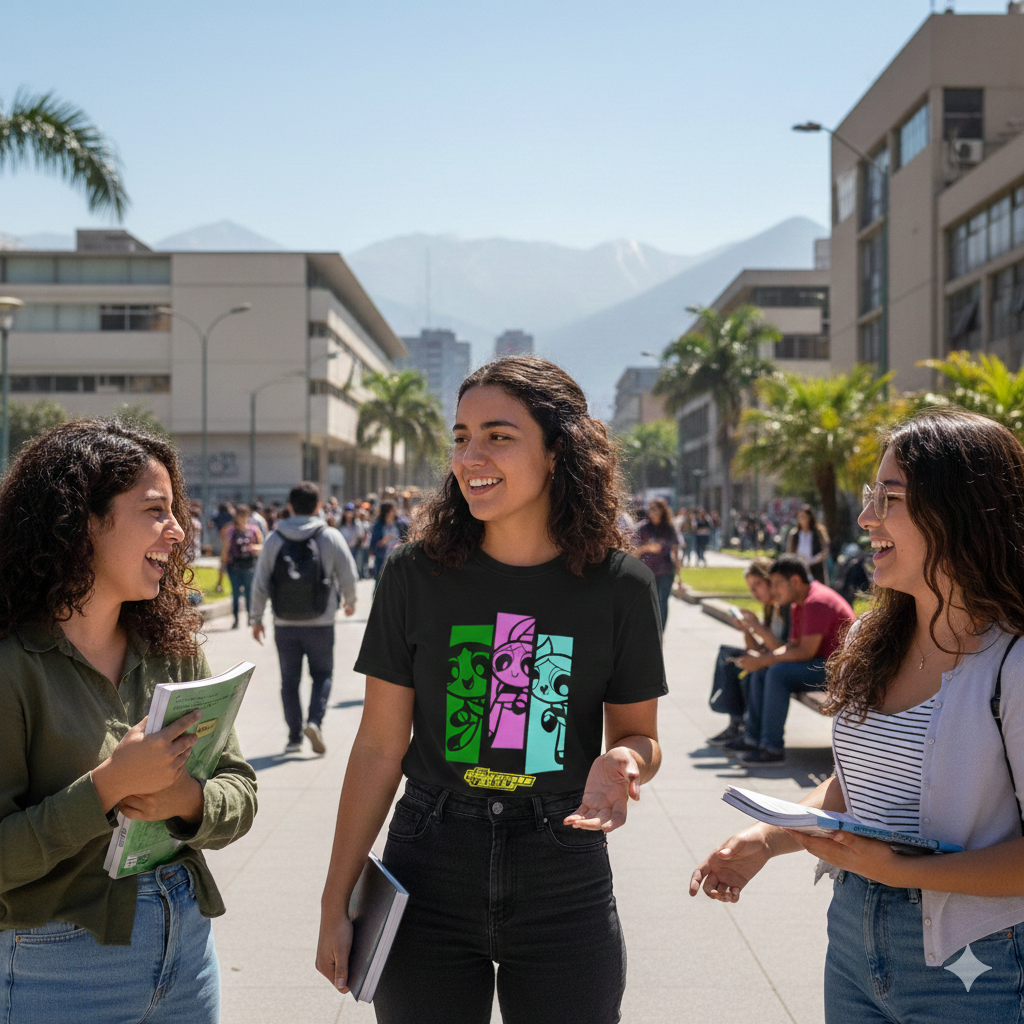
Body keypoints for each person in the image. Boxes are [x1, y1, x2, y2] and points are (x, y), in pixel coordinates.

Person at [316, 356, 666, 1024]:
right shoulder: (413, 575)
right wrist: (337, 901)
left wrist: (625, 762)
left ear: (559, 452)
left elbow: (639, 735)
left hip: (562, 866)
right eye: (460, 436)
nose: (470, 455)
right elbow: (378, 749)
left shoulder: (622, 587)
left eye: (498, 436)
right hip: (429, 861)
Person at [692, 410, 1024, 1023]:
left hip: (975, 966)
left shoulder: (1012, 661)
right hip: (851, 941)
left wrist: (896, 870)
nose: (867, 517)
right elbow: (859, 784)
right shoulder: (874, 634)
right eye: (872, 496)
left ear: (961, 511)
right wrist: (767, 839)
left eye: (889, 498)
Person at [0, 419, 257, 1024]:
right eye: (155, 510)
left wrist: (187, 797)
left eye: (177, 512)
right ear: (81, 520)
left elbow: (241, 791)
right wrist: (108, 787)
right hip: (55, 967)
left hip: (187, 949)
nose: (178, 532)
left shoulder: (174, 648)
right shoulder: (12, 666)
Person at [249, 481, 358, 755]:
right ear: (318, 507)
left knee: (289, 681)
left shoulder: (275, 539)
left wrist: (256, 618)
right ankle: (314, 721)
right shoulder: (330, 536)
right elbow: (348, 573)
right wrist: (349, 602)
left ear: (289, 507)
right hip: (321, 621)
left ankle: (294, 737)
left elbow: (260, 581)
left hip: (284, 623)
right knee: (322, 675)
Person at [720, 553, 854, 765]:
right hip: (820, 664)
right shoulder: (799, 603)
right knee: (764, 670)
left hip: (839, 670)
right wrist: (762, 659)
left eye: (777, 584)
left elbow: (805, 653)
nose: (774, 590)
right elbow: (790, 648)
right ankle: (753, 739)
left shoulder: (816, 601)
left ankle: (772, 748)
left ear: (795, 580)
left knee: (776, 672)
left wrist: (765, 660)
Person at [706, 557, 790, 747]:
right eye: (751, 589)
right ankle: (737, 723)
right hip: (774, 658)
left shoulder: (786, 606)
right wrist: (747, 630)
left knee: (751, 669)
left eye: (757, 585)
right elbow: (759, 649)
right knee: (729, 656)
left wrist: (758, 628)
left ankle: (748, 729)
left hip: (784, 661)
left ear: (770, 579)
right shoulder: (771, 608)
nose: (755, 592)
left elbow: (780, 649)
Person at [635, 496, 681, 634]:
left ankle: (660, 633)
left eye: (657, 510)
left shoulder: (669, 528)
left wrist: (679, 576)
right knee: (647, 603)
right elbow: (633, 551)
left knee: (662, 602)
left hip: (666, 570)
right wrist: (647, 548)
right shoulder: (642, 528)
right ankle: (648, 632)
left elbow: (675, 551)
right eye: (651, 509)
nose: (653, 513)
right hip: (646, 571)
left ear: (663, 511)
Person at [221, 503, 263, 629]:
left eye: (245, 516)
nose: (242, 518)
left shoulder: (254, 530)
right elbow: (225, 549)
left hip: (249, 565)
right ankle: (236, 619)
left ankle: (250, 617)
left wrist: (255, 548)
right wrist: (222, 567)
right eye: (240, 516)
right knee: (235, 594)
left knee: (249, 593)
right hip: (234, 566)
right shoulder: (231, 531)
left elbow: (262, 545)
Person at [785, 504, 830, 584]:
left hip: (816, 569)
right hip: (800, 570)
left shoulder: (818, 533)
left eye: (804, 516)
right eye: (800, 517)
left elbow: (825, 550)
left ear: (809, 517)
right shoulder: (794, 534)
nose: (802, 519)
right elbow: (790, 552)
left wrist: (814, 560)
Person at [368, 500, 402, 588]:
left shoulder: (399, 523)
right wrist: (382, 542)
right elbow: (373, 545)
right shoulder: (378, 525)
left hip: (397, 558)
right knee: (379, 585)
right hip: (382, 559)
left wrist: (400, 544)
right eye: (392, 511)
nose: (394, 513)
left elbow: (405, 538)